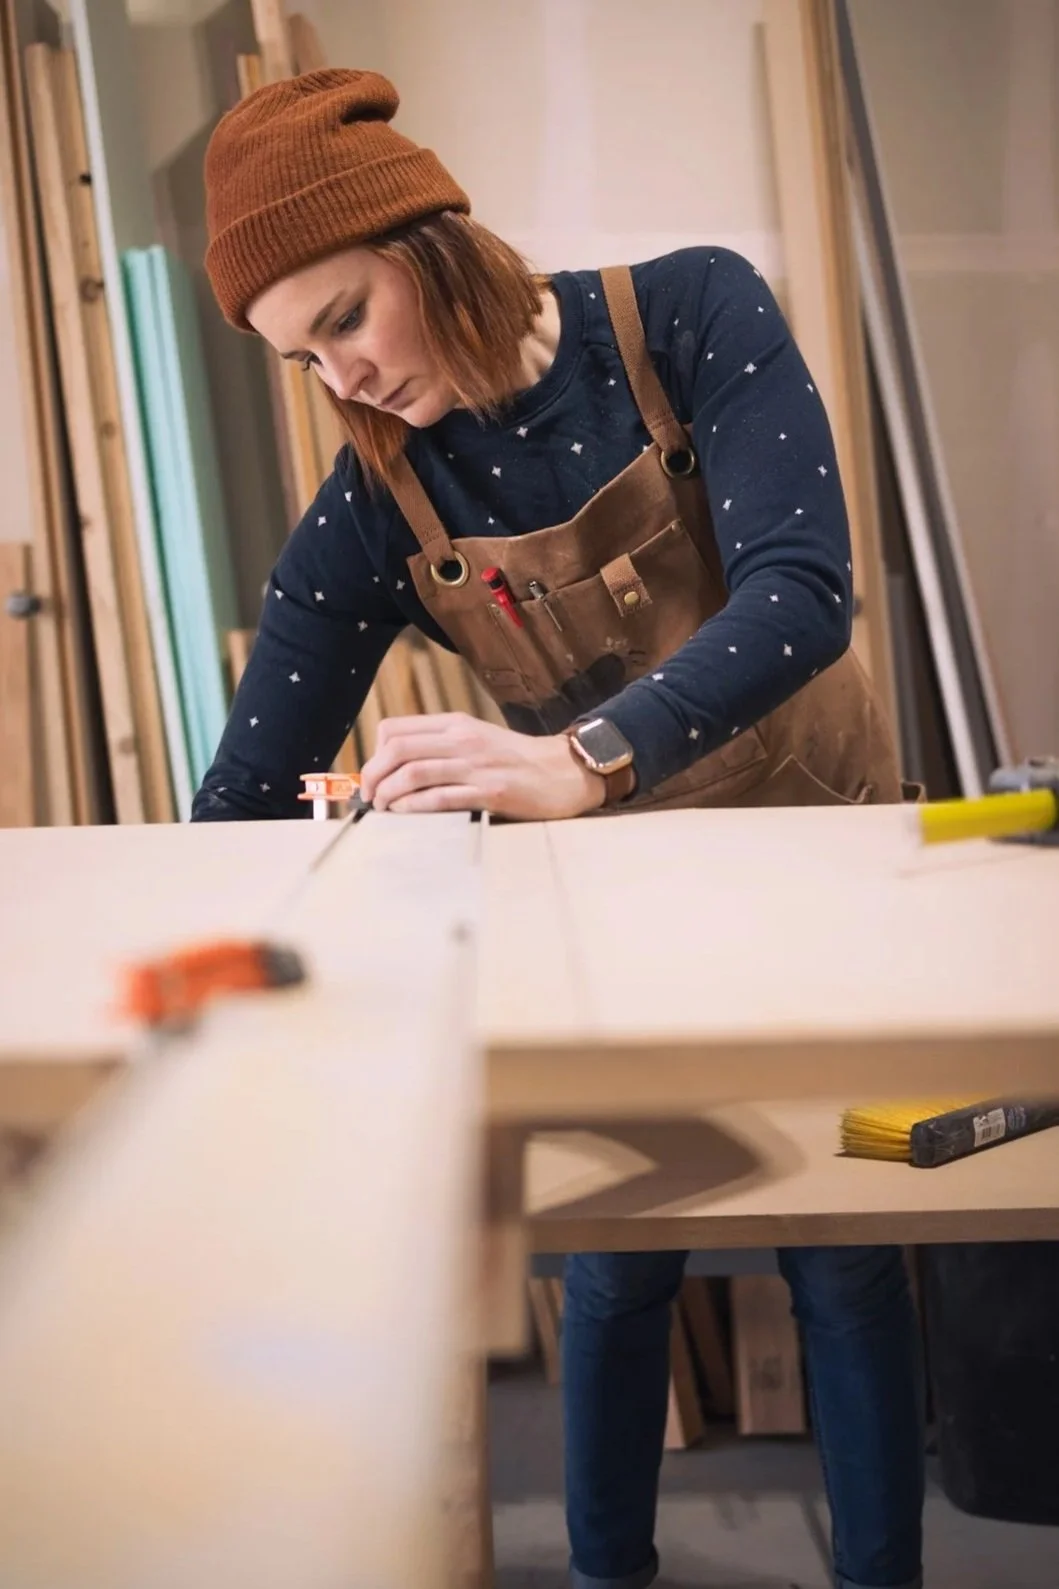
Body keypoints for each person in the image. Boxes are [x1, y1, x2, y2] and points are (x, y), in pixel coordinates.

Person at [198, 67, 925, 1589]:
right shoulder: (374, 510)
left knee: (844, 1251)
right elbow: (241, 798)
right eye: (299, 359)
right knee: (612, 1261)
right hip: (620, 921)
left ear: (426, 238)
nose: (344, 379)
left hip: (823, 869)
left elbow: (801, 592)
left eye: (343, 318)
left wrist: (581, 756)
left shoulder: (687, 316)